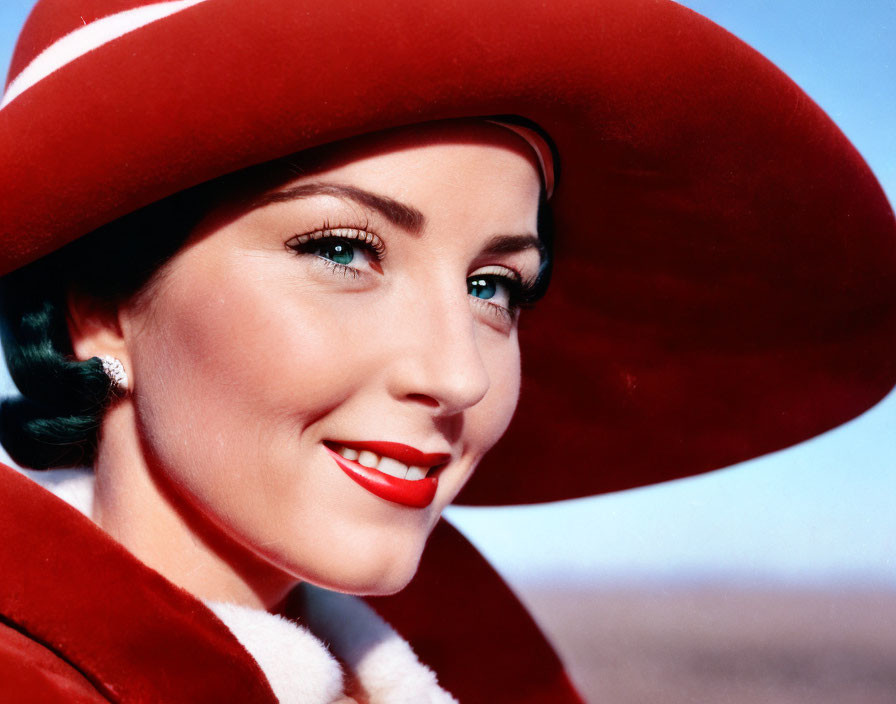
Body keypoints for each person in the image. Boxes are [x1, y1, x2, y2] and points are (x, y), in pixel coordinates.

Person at [0, 1, 893, 702]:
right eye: (344, 251)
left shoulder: (469, 661)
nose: (459, 373)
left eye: (494, 286)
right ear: (100, 311)